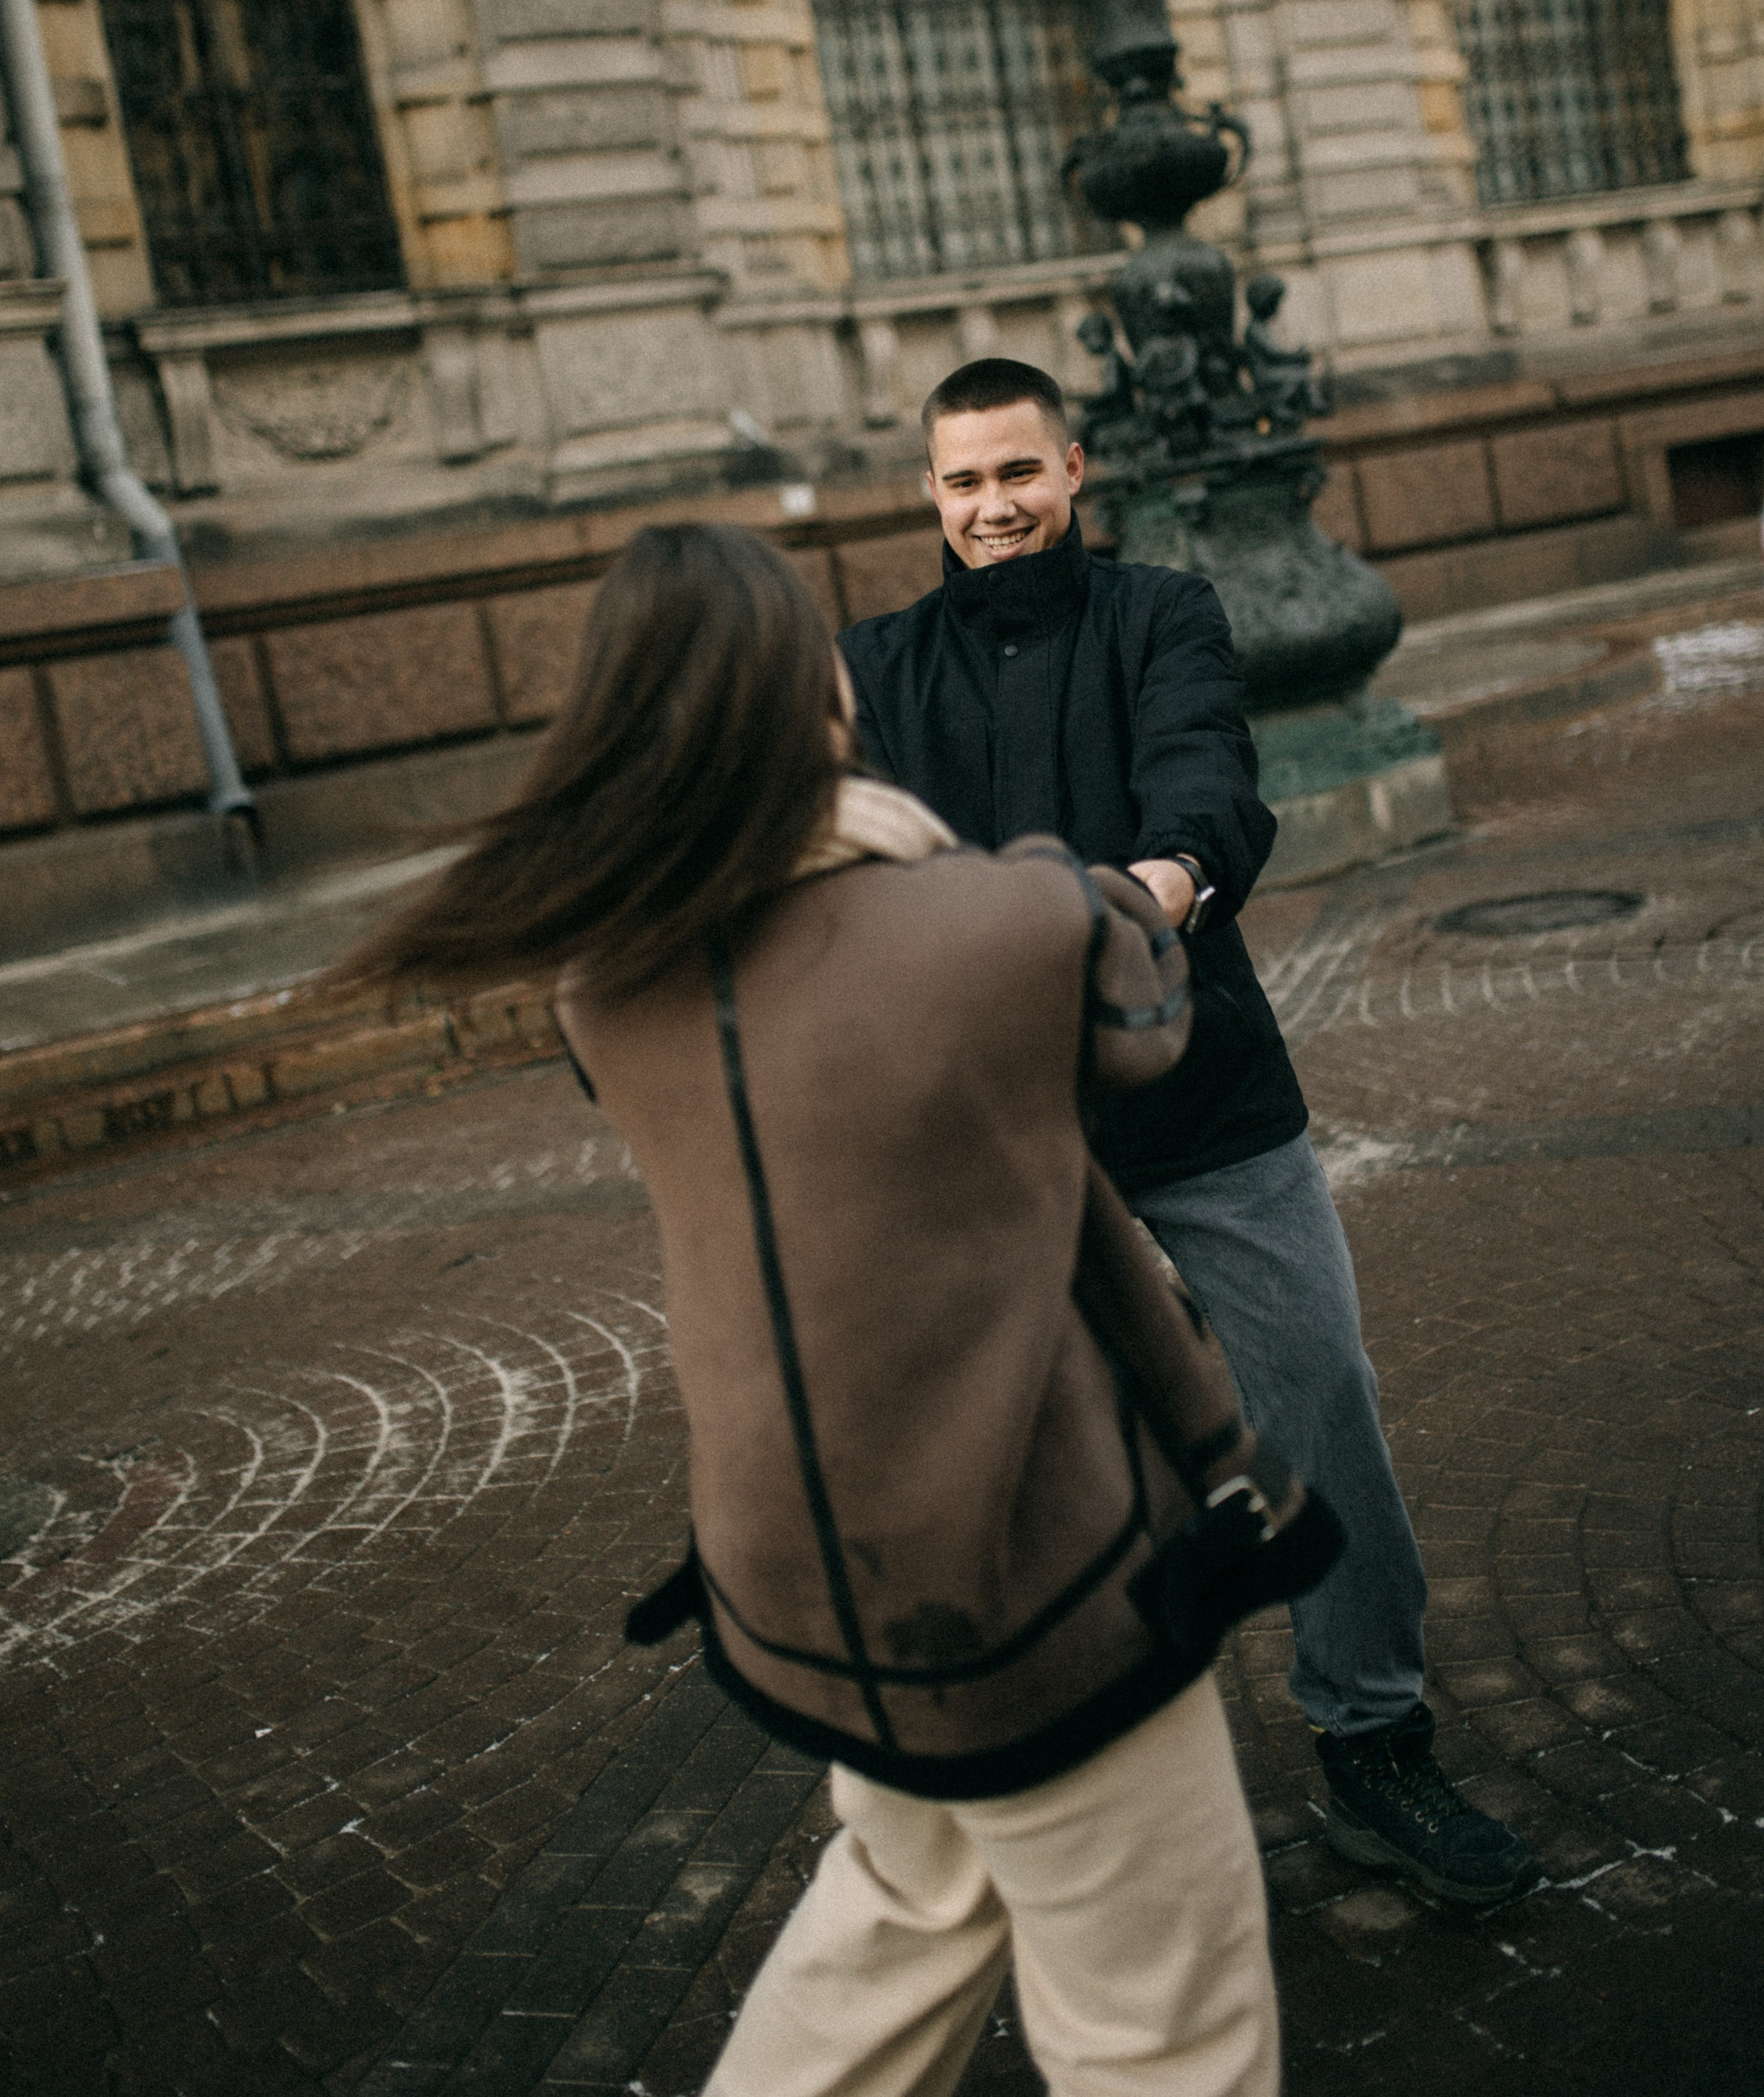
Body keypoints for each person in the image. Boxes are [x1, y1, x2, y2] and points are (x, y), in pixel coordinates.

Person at [344, 521, 1342, 2097]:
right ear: (815, 693)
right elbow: (1142, 1008)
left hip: (806, 1589)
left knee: (899, 1917)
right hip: (1025, 1582)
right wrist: (996, 868)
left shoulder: (603, 985)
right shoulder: (982, 923)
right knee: (1166, 2027)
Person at [839, 358, 1541, 1908]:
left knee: (1318, 1396)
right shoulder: (873, 665)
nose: (993, 507)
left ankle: (1374, 1743)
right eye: (963, 481)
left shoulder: (1163, 614)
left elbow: (1207, 793)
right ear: (930, 494)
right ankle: (1068, 1802)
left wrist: (1149, 888)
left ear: (1073, 468)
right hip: (998, 1137)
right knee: (1006, 1466)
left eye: (1017, 472)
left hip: (1200, 1091)